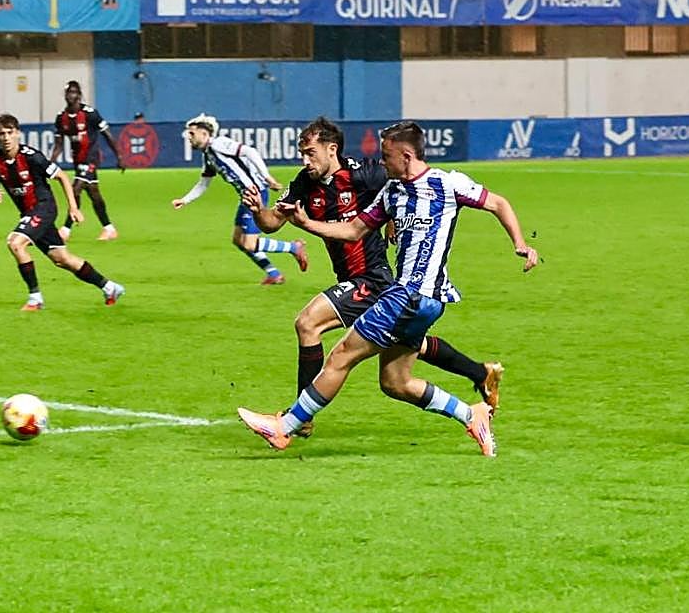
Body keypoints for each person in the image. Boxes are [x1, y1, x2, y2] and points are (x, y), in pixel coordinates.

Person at [238, 121, 540, 455]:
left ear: (407, 156)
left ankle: (286, 427)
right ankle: (472, 414)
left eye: (386, 157)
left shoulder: (446, 182)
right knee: (395, 382)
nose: (381, 163)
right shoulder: (392, 191)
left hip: (406, 294)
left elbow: (498, 203)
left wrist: (520, 243)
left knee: (340, 355)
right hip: (421, 301)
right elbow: (354, 230)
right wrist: (307, 223)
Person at [0, 113, 125, 311]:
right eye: (2, 134)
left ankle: (35, 298)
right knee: (62, 259)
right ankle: (110, 287)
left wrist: (73, 207)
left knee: (15, 243)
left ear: (18, 133)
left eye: (10, 133)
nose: (6, 138)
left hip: (44, 207)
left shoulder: (32, 157)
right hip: (29, 213)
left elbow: (62, 177)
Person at [173, 113, 307, 285]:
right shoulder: (208, 155)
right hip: (246, 197)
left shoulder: (219, 144)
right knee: (238, 240)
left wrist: (267, 177)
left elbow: (250, 151)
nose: (189, 137)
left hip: (255, 193)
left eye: (192, 133)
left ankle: (293, 248)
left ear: (205, 134)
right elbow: (203, 183)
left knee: (250, 244)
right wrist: (185, 200)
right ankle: (274, 274)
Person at [50, 80, 124, 242]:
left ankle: (65, 230)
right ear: (65, 95)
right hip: (78, 160)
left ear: (80, 94)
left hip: (91, 158)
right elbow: (59, 144)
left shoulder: (90, 114)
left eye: (75, 92)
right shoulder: (61, 118)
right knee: (94, 194)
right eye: (69, 92)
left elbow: (107, 135)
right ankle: (109, 228)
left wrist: (119, 156)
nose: (72, 95)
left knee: (75, 189)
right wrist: (50, 162)